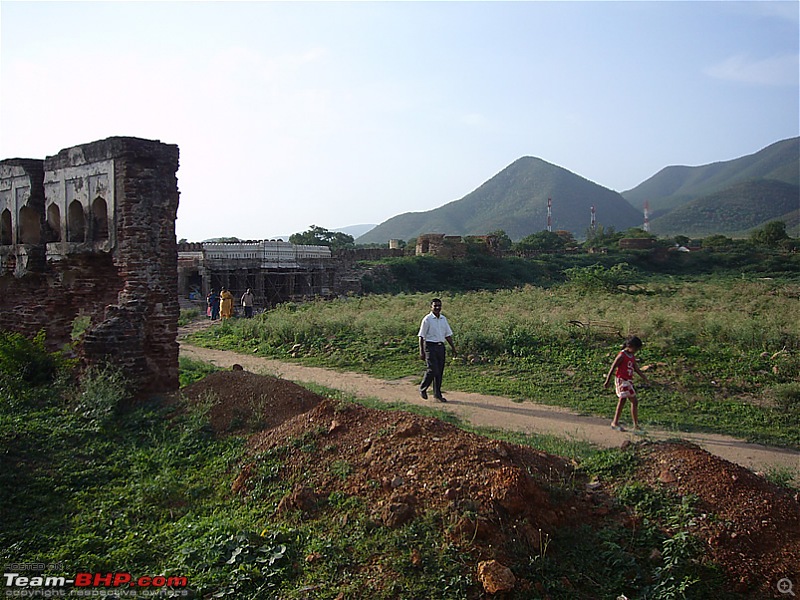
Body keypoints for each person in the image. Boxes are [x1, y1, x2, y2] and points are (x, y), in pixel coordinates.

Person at [604, 335, 649, 431]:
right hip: (621, 380)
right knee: (632, 400)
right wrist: (607, 381)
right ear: (630, 345)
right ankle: (633, 425)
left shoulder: (632, 356)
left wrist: (644, 377)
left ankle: (617, 422)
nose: (636, 351)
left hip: (628, 380)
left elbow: (636, 368)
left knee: (625, 400)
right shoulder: (622, 355)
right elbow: (613, 368)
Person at [418, 298, 457, 402]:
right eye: (435, 306)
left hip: (440, 347)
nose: (437, 308)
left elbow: (447, 335)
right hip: (430, 347)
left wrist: (453, 348)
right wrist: (421, 352)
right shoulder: (427, 319)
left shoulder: (443, 319)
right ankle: (423, 387)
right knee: (432, 369)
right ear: (431, 307)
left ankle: (437, 395)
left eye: (439, 306)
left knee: (439, 372)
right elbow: (421, 336)